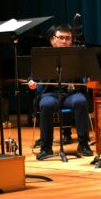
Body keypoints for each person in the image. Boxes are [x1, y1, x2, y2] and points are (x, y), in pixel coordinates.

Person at [29, 24, 93, 160]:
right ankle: (46, 147)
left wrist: (87, 78)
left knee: (81, 101)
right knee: (45, 105)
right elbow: (33, 75)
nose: (65, 41)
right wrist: (31, 82)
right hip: (50, 94)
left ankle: (83, 144)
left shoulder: (77, 55)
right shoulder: (44, 56)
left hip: (72, 94)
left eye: (68, 38)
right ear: (53, 40)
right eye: (61, 38)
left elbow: (86, 73)